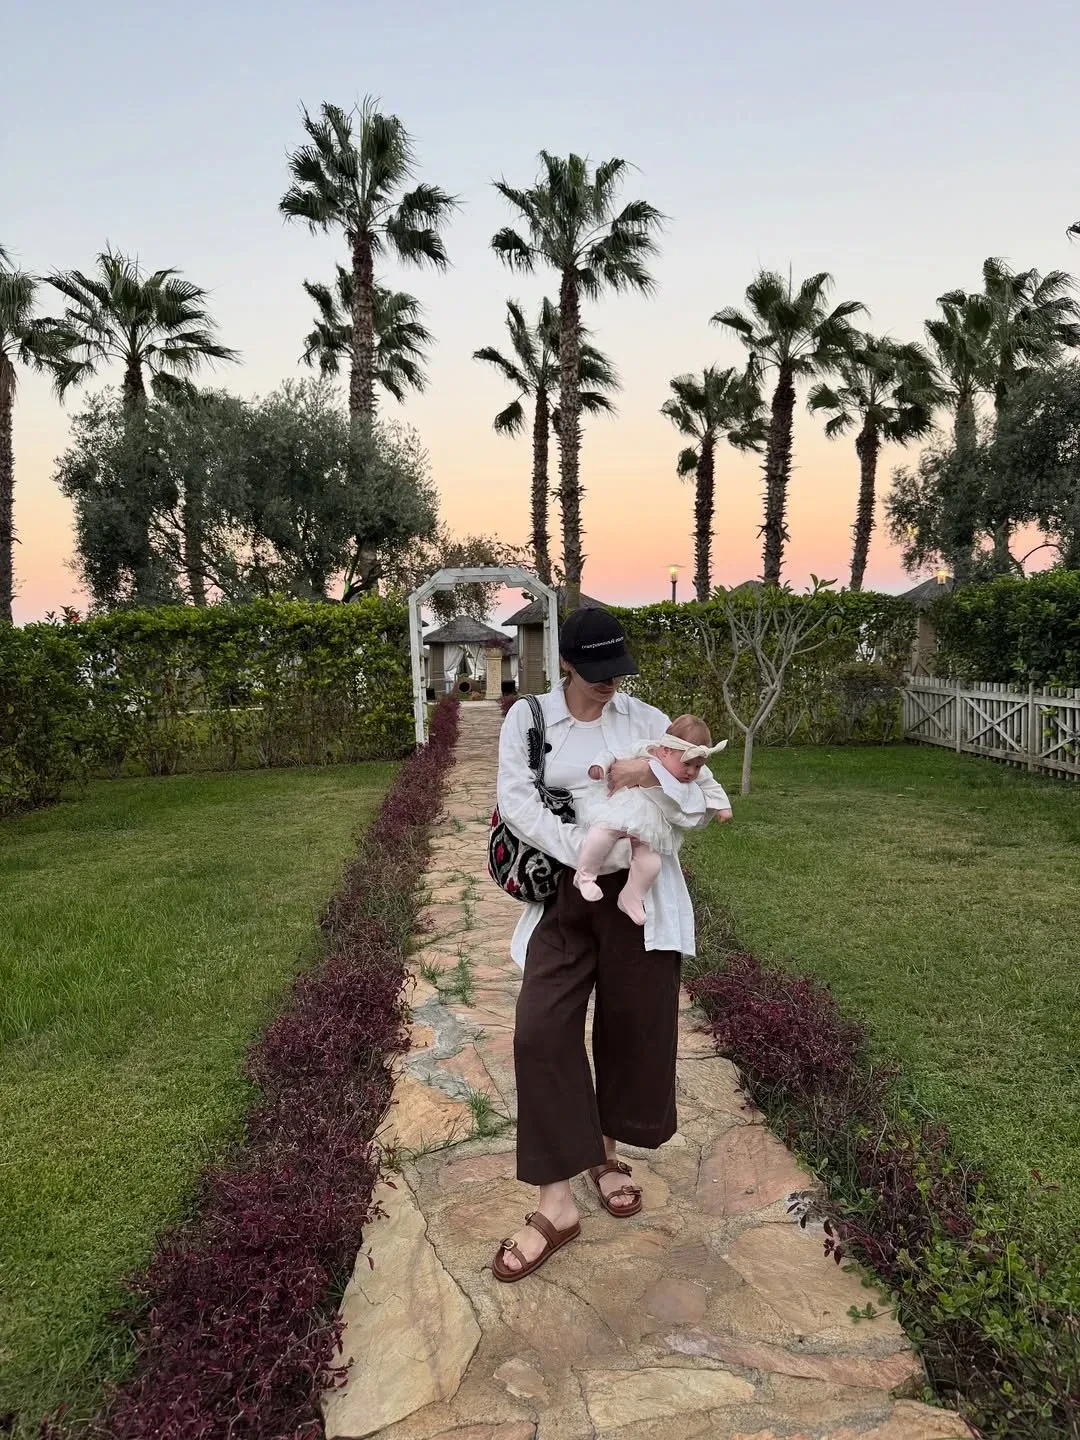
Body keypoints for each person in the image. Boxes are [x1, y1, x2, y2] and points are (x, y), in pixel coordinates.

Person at [491, 606, 732, 1282]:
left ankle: (604, 1152)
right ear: (565, 663)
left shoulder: (647, 721)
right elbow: (517, 803)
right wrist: (584, 853)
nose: (608, 682)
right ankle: (555, 1204)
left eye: (616, 670)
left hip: (641, 901)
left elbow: (695, 807)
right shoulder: (530, 720)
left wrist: (648, 776)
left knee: (632, 1029)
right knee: (541, 1030)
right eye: (595, 671)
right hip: (567, 896)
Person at [574, 713, 729, 925]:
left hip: (649, 824)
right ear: (665, 750)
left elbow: (711, 785)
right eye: (688, 764)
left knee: (651, 864)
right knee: (600, 836)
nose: (692, 772)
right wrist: (600, 765)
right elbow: (613, 753)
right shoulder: (644, 749)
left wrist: (723, 806)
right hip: (622, 808)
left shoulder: (691, 770)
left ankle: (631, 897)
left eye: (698, 767)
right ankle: (585, 875)